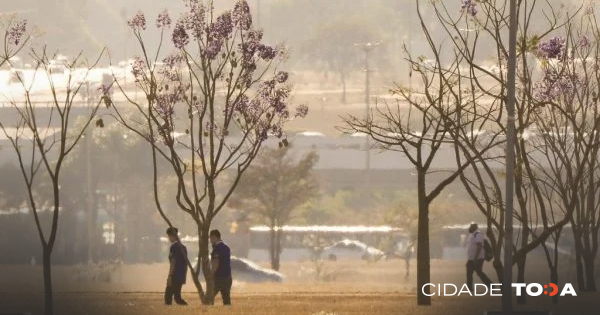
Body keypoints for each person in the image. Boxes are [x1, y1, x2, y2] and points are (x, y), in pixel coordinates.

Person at [165, 227, 188, 306]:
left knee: (168, 297)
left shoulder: (174, 247)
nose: (169, 238)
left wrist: (170, 276)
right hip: (181, 275)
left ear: (172, 236)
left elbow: (173, 262)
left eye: (169, 236)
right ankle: (186, 308)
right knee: (177, 297)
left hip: (175, 275)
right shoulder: (183, 247)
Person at [466, 223, 492, 292]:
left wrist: (475, 258)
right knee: (469, 272)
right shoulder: (472, 235)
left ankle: (491, 286)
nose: (470, 228)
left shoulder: (478, 234)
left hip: (478, 258)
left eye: (471, 227)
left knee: (479, 272)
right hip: (471, 258)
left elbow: (479, 247)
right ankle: (469, 289)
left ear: (474, 228)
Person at [210, 229, 232, 305]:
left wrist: (211, 275)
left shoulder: (216, 249)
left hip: (219, 278)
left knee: (209, 297)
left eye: (211, 238)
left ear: (215, 237)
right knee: (227, 301)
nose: (210, 241)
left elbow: (216, 264)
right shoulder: (227, 248)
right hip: (228, 277)